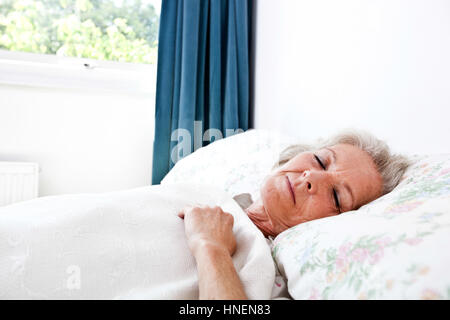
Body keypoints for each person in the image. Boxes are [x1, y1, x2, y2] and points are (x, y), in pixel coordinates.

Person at [178, 129, 410, 299]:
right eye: (320, 160)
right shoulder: (214, 195)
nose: (311, 177)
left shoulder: (275, 279)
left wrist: (210, 247)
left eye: (337, 196)